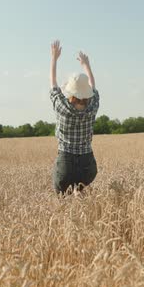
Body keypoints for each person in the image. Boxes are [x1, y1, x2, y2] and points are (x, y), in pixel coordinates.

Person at [49, 40, 100, 195]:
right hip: (87, 165)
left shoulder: (62, 107)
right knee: (80, 191)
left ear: (70, 93)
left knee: (62, 199)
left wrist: (54, 58)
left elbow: (53, 84)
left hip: (66, 161)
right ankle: (79, 192)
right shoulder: (92, 107)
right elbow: (93, 86)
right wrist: (86, 65)